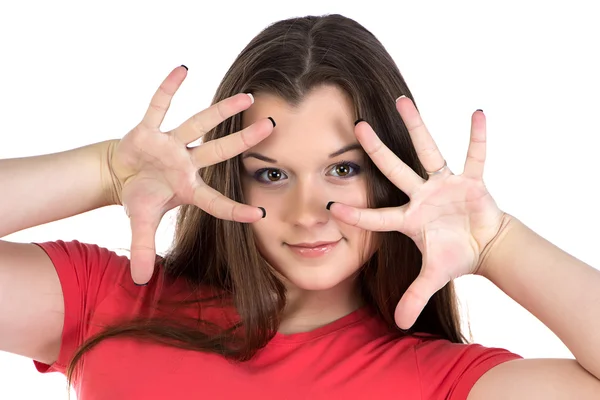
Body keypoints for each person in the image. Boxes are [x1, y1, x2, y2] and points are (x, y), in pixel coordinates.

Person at [0, 13, 598, 400]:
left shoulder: (440, 381)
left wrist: (498, 244)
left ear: (391, 177)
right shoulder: (113, 300)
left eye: (343, 169)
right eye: (272, 174)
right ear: (233, 181)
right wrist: (103, 171)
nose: (310, 211)